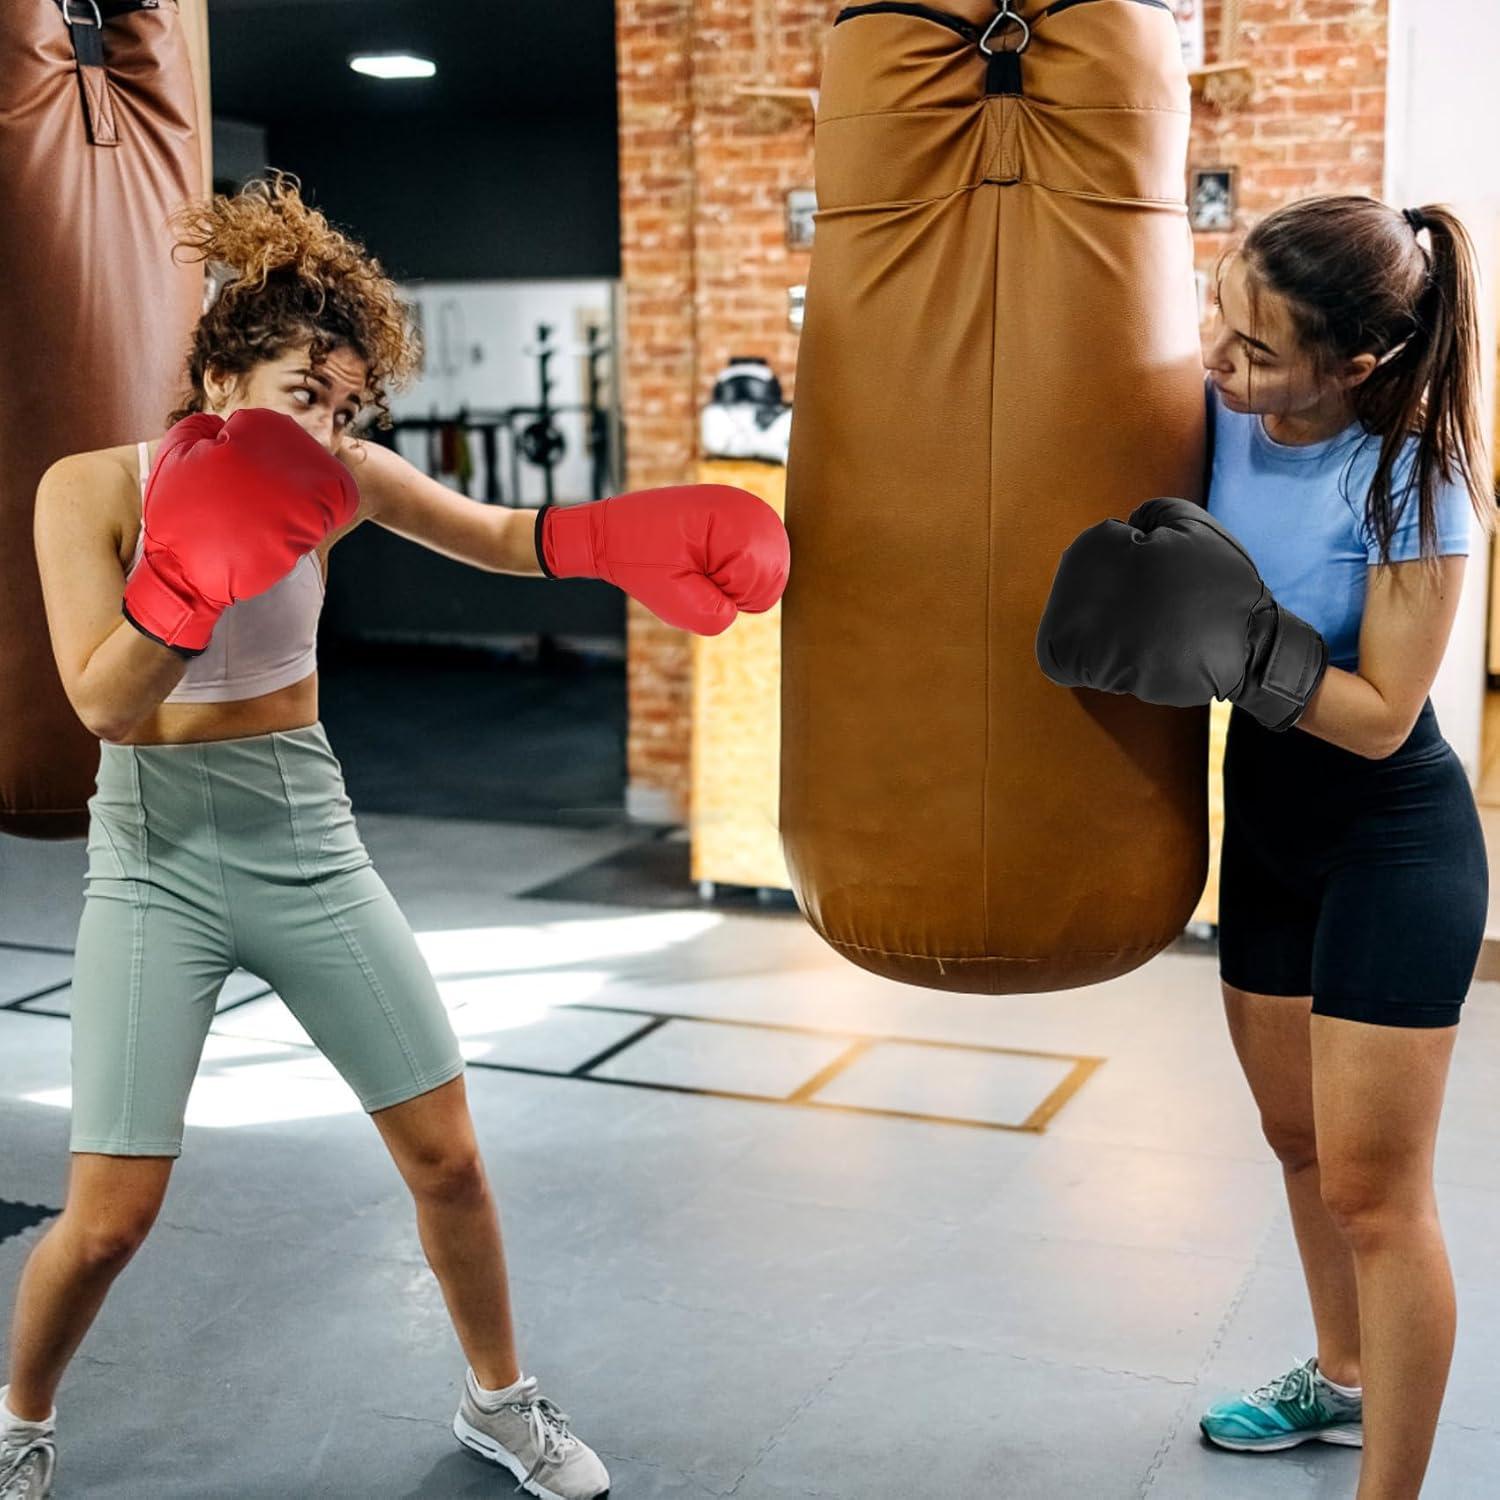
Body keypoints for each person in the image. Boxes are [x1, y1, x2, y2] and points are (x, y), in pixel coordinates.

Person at [0, 172, 787, 1500]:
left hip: (306, 836)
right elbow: (99, 704)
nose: (328, 424)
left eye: (346, 405)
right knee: (111, 1219)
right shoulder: (89, 488)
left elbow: (499, 535)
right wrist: (189, 578)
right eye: (305, 392)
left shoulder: (345, 481)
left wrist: (635, 531)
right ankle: (22, 1416)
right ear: (217, 374)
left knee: (451, 1157)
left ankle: (500, 1400)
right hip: (154, 864)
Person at [1038, 194, 1493, 1498]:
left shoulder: (1416, 475)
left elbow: (1380, 715)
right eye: (1217, 325)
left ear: (1354, 365)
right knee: (1298, 1146)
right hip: (1271, 830)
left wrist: (1237, 636)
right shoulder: (1212, 419)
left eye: (1255, 351)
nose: (1219, 364)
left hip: (1390, 839)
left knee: (1375, 1196)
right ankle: (1339, 1381)